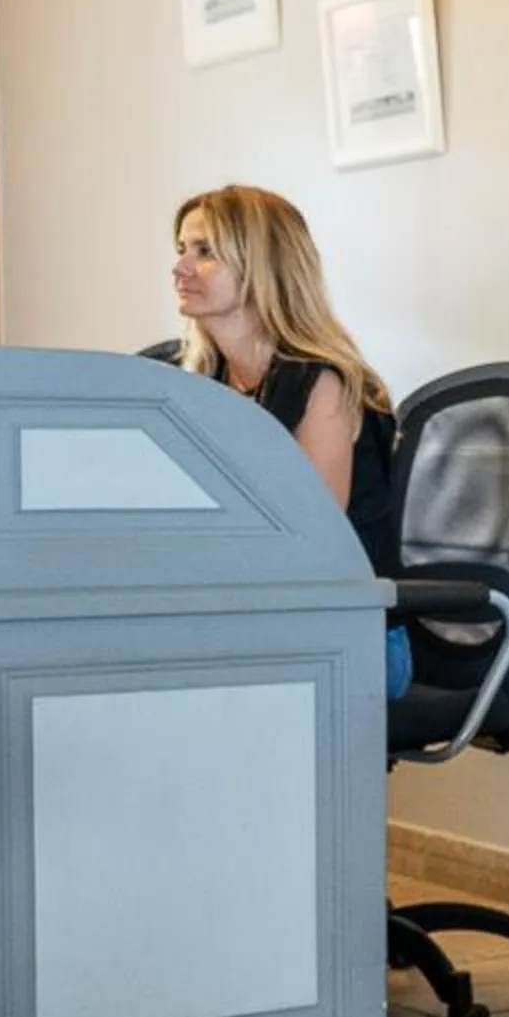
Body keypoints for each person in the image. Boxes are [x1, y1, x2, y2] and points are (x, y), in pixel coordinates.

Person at [143, 185, 411, 697]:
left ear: (262, 267)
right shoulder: (198, 381)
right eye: (181, 249)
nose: (180, 268)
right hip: (258, 623)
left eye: (205, 252)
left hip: (350, 635)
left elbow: (311, 543)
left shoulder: (320, 382)